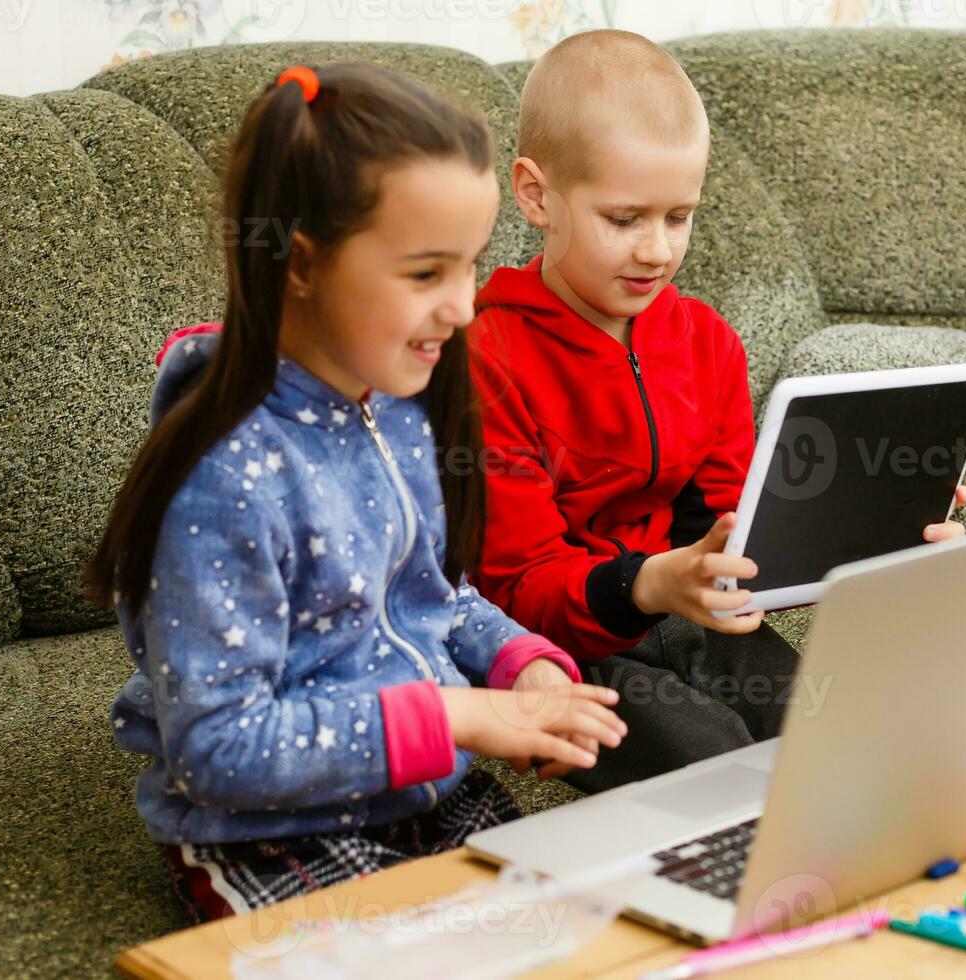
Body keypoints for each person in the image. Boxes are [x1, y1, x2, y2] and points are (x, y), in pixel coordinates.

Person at [84, 62, 625, 923]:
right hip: (266, 835)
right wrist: (455, 717)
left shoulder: (401, 407)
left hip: (424, 801)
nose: (464, 308)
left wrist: (520, 668)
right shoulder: (226, 479)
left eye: (472, 267)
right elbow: (217, 747)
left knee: (605, 930)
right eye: (425, 275)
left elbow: (435, 596)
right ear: (300, 263)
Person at [468, 32, 966, 792]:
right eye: (625, 218)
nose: (656, 251)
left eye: (680, 216)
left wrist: (871, 530)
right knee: (716, 768)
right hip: (561, 642)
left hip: (687, 611)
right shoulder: (486, 356)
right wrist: (648, 585)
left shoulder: (707, 342)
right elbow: (518, 585)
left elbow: (733, 532)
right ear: (537, 195)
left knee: (841, 729)